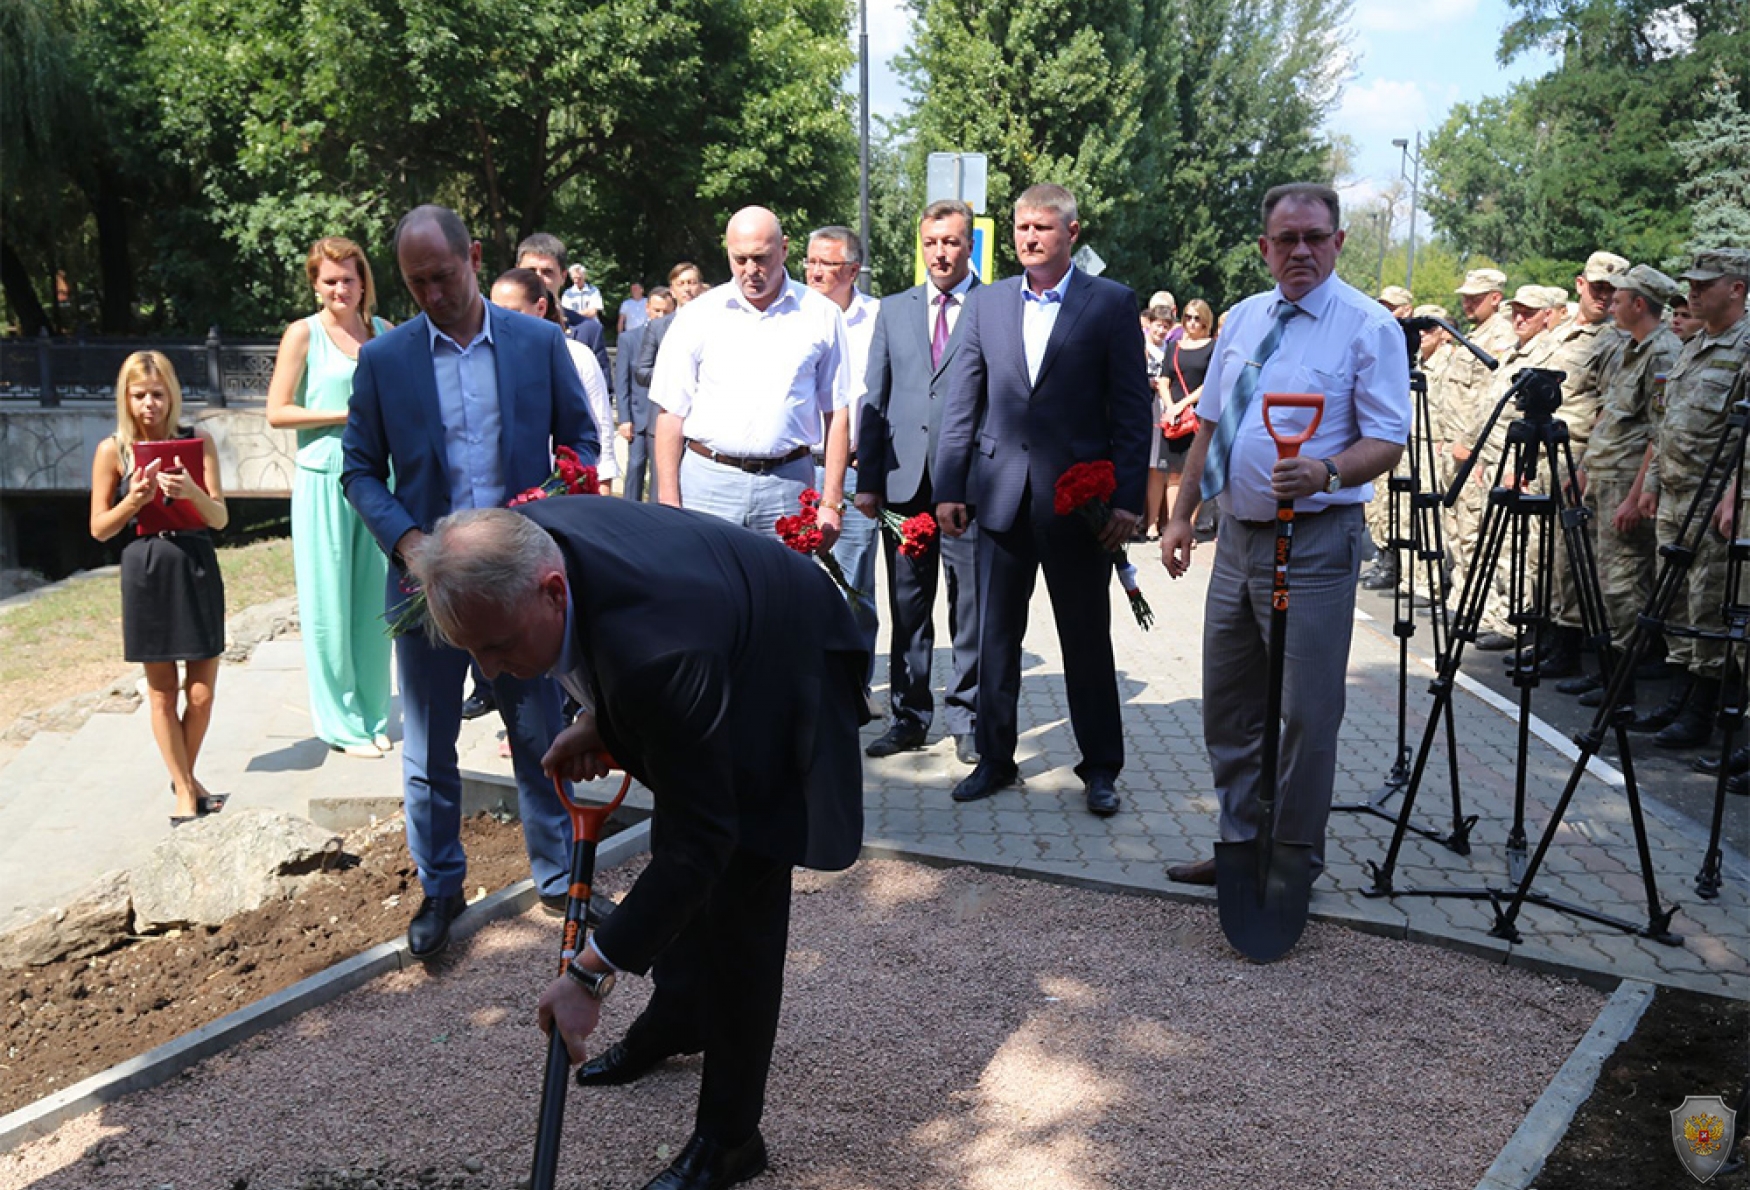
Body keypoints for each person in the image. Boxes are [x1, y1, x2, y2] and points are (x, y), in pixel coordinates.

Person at [407, 499, 864, 1190]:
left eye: (498, 648)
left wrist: (591, 973)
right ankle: (680, 1018)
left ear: (551, 590)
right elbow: (617, 660)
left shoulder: (657, 650)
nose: (492, 673)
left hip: (783, 659)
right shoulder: (527, 549)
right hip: (705, 640)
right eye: (474, 653)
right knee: (684, 848)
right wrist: (604, 719)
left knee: (741, 881)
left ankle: (731, 1141)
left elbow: (703, 836)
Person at [341, 203, 600, 959]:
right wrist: (409, 540)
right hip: (425, 583)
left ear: (475, 257)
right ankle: (441, 885)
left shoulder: (536, 342)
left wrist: (545, 514)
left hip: (518, 580)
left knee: (538, 731)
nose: (431, 294)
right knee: (427, 748)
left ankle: (558, 878)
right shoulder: (384, 361)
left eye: (443, 276)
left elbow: (579, 441)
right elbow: (359, 471)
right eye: (416, 282)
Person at [1160, 182, 1410, 885]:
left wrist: (1327, 470)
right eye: (1286, 239)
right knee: (1230, 703)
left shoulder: (1368, 327)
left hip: (1317, 544)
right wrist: (1181, 515)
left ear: (1337, 242)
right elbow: (1209, 422)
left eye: (1315, 237)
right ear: (1265, 247)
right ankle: (1240, 845)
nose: (1301, 250)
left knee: (1305, 713)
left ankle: (1292, 861)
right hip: (1236, 539)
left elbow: (1388, 438)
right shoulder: (1241, 318)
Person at [934, 182, 1152, 817]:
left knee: (1085, 639)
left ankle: (1101, 768)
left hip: (1078, 506)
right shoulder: (988, 304)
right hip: (998, 499)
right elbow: (962, 402)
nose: (1029, 238)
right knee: (995, 639)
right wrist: (950, 486)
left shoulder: (1110, 303)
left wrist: (1127, 501)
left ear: (1072, 234)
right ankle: (994, 758)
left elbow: (1133, 412)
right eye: (1022, 228)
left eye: (1043, 228)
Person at [858, 198, 983, 764]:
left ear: (969, 244)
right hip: (903, 486)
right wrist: (867, 481)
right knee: (909, 607)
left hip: (972, 487)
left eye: (952, 241)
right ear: (921, 244)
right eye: (932, 242)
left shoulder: (993, 306)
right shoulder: (894, 309)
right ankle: (910, 716)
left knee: (970, 607)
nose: (941, 252)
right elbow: (874, 398)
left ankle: (969, 718)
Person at [265, 237, 395, 759]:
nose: (340, 288)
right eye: (329, 280)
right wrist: (347, 414)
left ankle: (372, 713)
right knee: (328, 606)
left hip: (377, 481)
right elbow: (278, 410)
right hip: (324, 479)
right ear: (315, 285)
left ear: (364, 280)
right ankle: (341, 724)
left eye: (348, 278)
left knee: (374, 607)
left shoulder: (384, 332)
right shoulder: (303, 334)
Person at [89, 352, 230, 825]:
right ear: (125, 399)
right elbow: (99, 529)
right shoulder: (114, 451)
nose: (148, 404)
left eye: (157, 393)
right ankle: (186, 793)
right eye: (138, 395)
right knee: (163, 694)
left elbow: (220, 517)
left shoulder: (197, 441)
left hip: (195, 563)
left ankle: (183, 777)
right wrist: (133, 500)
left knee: (202, 694)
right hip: (146, 568)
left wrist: (190, 490)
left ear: (171, 395)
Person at [650, 207, 850, 541]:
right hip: (708, 485)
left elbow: (838, 411)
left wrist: (831, 501)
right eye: (739, 259)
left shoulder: (821, 315)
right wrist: (669, 501)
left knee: (783, 591)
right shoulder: (698, 316)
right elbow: (670, 414)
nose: (750, 270)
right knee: (708, 590)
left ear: (784, 249)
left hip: (788, 485)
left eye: (761, 258)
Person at [1627, 249, 1750, 750]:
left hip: (1713, 500)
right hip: (1676, 495)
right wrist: (1652, 482)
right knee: (1673, 601)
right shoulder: (1695, 344)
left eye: (1705, 284)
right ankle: (1680, 696)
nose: (1693, 292)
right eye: (1692, 284)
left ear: (1737, 289)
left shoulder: (1745, 347)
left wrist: (1734, 494)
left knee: (1708, 607)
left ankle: (1705, 711)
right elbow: (1667, 422)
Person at [1557, 265, 1682, 709]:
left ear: (1639, 304)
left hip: (1627, 484)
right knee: (1604, 580)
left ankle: (1622, 685)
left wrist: (1635, 496)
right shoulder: (1631, 348)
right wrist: (1586, 469)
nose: (1611, 303)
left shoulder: (1664, 353)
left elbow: (1659, 432)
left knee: (1624, 583)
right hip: (1605, 478)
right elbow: (1608, 417)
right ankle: (1609, 676)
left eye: (1620, 297)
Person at [1539, 250, 1629, 679]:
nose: (1604, 298)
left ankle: (1570, 646)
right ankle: (1549, 635)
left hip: (1579, 454)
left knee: (1575, 557)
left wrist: (1587, 464)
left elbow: (1609, 411)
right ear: (1580, 285)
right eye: (1598, 289)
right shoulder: (1558, 332)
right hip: (1542, 453)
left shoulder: (1616, 341)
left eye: (1613, 291)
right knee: (1547, 554)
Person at [806, 225, 882, 678]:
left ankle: (852, 682)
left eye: (826, 264)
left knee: (851, 581)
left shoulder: (878, 319)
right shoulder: (790, 313)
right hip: (795, 465)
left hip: (853, 470)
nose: (815, 272)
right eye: (810, 262)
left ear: (852, 270)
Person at [491, 267, 617, 494]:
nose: (501, 323)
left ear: (540, 308)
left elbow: (596, 429)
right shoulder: (485, 359)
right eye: (494, 313)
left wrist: (597, 483)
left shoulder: (577, 356)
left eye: (512, 313)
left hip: (549, 498)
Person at [518, 233, 612, 391]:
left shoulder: (588, 332)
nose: (538, 278)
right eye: (530, 270)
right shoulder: (500, 326)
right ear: (516, 272)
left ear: (563, 277)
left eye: (547, 272)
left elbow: (602, 394)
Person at [1159, 298, 1216, 532]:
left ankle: (1188, 526)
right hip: (1174, 418)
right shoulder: (1174, 347)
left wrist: (1182, 404)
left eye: (1197, 318)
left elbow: (1209, 384)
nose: (1192, 323)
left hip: (1198, 416)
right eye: (1188, 317)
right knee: (1172, 474)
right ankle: (1174, 525)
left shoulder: (1212, 347)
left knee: (1195, 473)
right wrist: (1170, 407)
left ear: (1205, 321)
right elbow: (1164, 380)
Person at [614, 286, 675, 501]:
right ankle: (629, 512)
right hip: (638, 416)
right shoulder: (629, 339)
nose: (660, 316)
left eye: (666, 312)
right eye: (656, 310)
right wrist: (624, 418)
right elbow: (622, 381)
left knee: (661, 473)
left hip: (665, 417)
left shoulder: (677, 337)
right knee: (636, 467)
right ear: (647, 308)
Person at [633, 261, 706, 389]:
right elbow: (642, 372)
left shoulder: (715, 323)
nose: (687, 289)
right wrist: (676, 374)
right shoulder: (657, 327)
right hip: (668, 403)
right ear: (672, 291)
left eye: (692, 283)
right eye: (681, 284)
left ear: (700, 287)